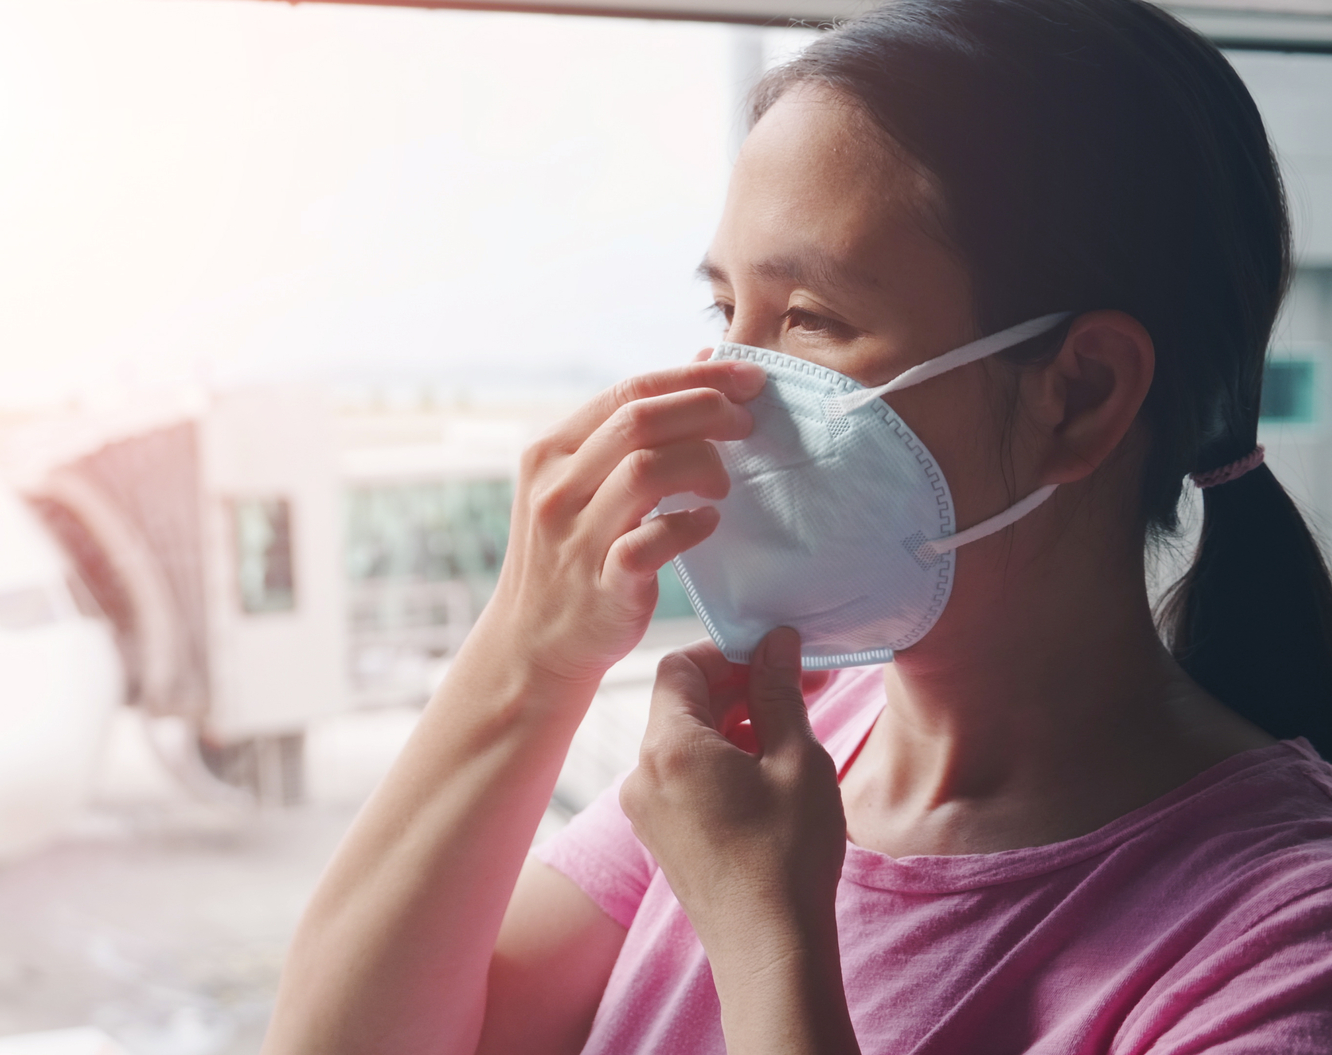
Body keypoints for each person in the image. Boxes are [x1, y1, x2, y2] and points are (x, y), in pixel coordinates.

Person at [263, 0, 1332, 1051]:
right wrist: (527, 649)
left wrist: (768, 934)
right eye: (722, 313)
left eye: (806, 320)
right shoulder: (778, 744)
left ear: (1080, 393)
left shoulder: (1280, 939)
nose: (721, 389)